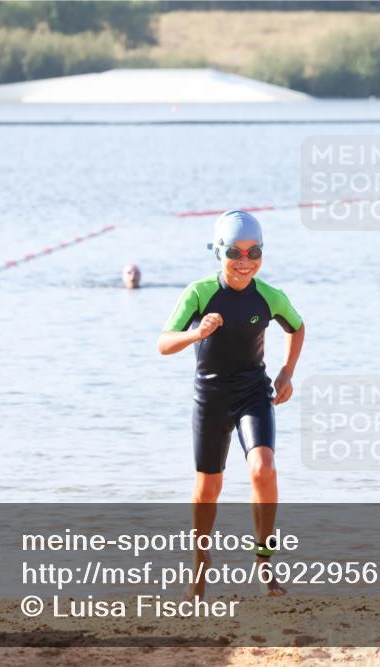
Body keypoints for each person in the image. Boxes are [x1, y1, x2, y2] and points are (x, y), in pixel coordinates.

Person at [157, 210, 305, 599]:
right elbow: (163, 343)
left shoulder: (269, 296)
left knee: (263, 467)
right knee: (209, 487)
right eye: (234, 252)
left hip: (253, 392)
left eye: (253, 251)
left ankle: (263, 560)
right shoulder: (199, 293)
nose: (244, 261)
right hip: (210, 398)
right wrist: (196, 333)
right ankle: (200, 565)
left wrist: (287, 373)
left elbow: (297, 326)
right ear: (218, 253)